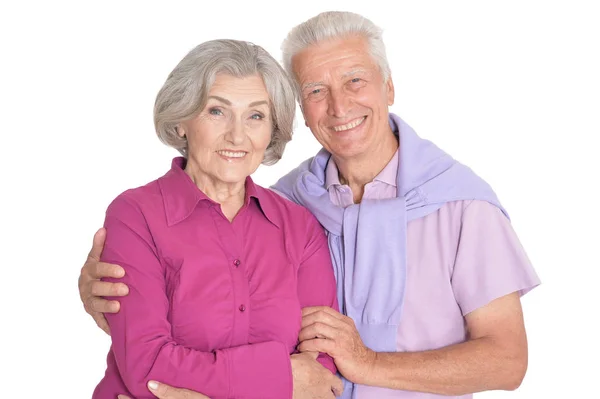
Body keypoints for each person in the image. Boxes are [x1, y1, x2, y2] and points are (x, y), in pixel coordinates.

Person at [80, 11, 541, 399]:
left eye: (355, 80)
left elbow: (507, 360)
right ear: (300, 108)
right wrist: (99, 297)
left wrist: (366, 364)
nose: (339, 106)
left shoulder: (461, 205)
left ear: (389, 88)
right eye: (316, 90)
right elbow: (163, 338)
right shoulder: (292, 200)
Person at [88, 38, 343, 399]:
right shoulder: (135, 216)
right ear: (181, 122)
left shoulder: (299, 228)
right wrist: (279, 377)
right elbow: (146, 368)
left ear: (272, 130)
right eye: (216, 111)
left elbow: (320, 377)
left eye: (255, 115)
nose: (237, 135)